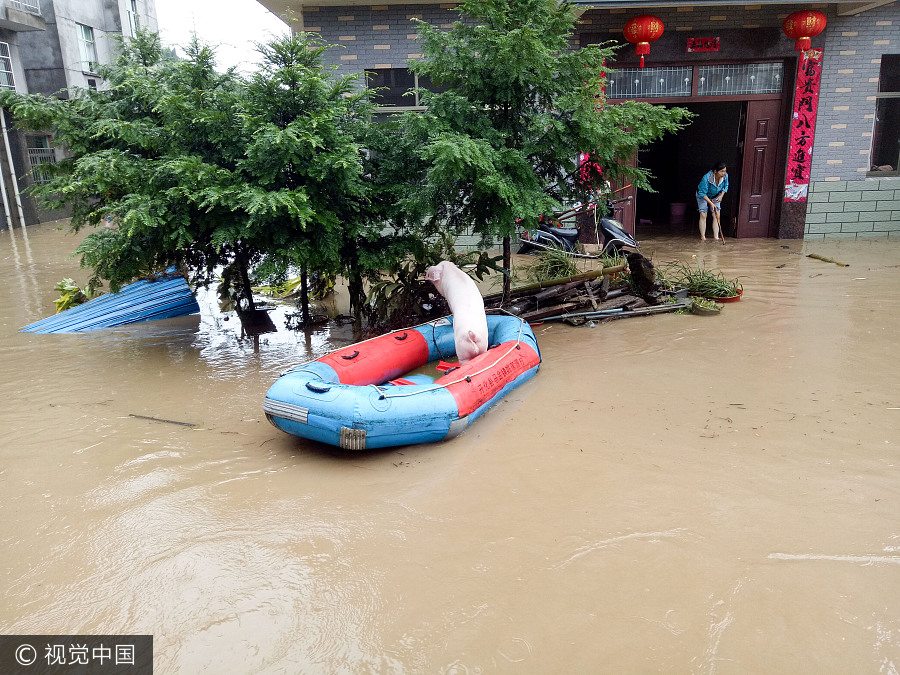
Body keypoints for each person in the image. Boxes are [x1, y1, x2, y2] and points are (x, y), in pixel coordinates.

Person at [697, 161, 729, 241]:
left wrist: (721, 196)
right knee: (703, 214)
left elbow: (726, 186)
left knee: (717, 214)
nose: (724, 173)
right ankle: (703, 236)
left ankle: (716, 237)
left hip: (716, 195)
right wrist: (711, 203)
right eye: (722, 171)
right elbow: (702, 193)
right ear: (715, 171)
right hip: (703, 196)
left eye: (725, 171)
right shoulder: (706, 178)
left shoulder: (725, 176)